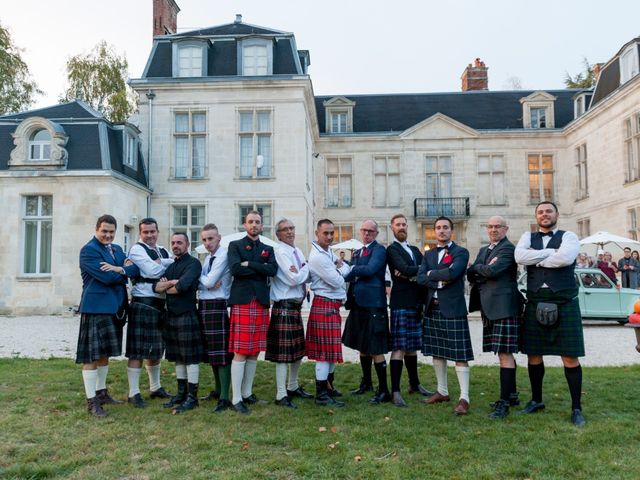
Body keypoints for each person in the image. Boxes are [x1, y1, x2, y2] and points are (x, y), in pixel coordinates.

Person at [515, 201, 586, 427]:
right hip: (536, 301)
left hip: (564, 301)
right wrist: (549, 252)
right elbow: (519, 257)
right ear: (536, 216)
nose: (544, 215)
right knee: (533, 354)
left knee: (569, 356)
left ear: (557, 214)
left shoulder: (570, 237)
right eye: (540, 212)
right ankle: (536, 400)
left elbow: (565, 259)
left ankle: (576, 408)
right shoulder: (527, 236)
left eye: (548, 211)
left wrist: (535, 256)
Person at [77, 214, 139, 417]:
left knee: (104, 354)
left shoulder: (118, 250)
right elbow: (106, 277)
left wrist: (120, 268)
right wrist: (122, 271)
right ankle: (91, 401)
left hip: (115, 309)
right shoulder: (89, 251)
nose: (108, 235)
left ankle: (101, 392)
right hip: (95, 308)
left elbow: (135, 269)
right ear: (96, 229)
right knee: (92, 356)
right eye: (104, 231)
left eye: (111, 232)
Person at [467, 216, 521, 419]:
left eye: (498, 226)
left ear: (506, 229)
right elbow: (472, 274)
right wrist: (480, 270)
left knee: (504, 354)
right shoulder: (484, 250)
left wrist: (479, 269)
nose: (493, 230)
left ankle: (505, 402)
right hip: (490, 307)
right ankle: (512, 395)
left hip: (504, 307)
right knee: (504, 354)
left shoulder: (508, 249)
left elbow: (492, 270)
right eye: (490, 226)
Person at [418, 216, 472, 416]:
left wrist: (432, 275)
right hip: (433, 307)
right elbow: (421, 278)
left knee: (459, 354)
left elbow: (454, 273)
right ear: (435, 231)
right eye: (438, 228)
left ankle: (464, 398)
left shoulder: (461, 252)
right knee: (437, 352)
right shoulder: (429, 254)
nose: (441, 231)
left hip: (453, 308)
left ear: (452, 231)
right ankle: (442, 391)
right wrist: (438, 278)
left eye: (445, 227)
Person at [227, 211, 278, 414]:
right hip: (243, 300)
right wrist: (260, 267)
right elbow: (235, 269)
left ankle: (247, 393)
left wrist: (250, 264)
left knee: (255, 350)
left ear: (262, 225)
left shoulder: (268, 248)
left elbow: (272, 270)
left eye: (257, 222)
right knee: (240, 350)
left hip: (261, 302)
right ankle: (236, 397)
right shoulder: (235, 246)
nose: (254, 225)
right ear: (244, 224)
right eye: (250, 222)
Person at [124, 218, 173, 408]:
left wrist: (164, 262)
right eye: (146, 232)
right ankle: (133, 393)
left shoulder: (162, 250)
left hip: (161, 303)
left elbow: (174, 266)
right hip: (143, 303)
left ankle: (155, 387)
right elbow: (153, 271)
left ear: (157, 231)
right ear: (140, 233)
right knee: (137, 350)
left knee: (156, 348)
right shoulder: (136, 249)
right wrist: (164, 266)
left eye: (153, 232)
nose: (150, 235)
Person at [386, 213, 434, 407]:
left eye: (404, 224)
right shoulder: (391, 249)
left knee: (412, 347)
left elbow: (423, 267)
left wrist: (412, 273)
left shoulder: (414, 249)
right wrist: (415, 272)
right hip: (400, 302)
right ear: (392, 228)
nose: (402, 227)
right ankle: (395, 391)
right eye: (398, 224)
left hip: (416, 302)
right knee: (399, 347)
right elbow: (404, 269)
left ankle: (414, 384)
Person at [342, 219, 391, 404]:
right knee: (362, 346)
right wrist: (343, 267)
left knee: (375, 347)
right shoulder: (358, 251)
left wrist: (351, 267)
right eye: (364, 230)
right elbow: (348, 275)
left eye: (371, 231)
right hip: (358, 305)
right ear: (360, 231)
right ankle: (367, 384)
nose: (367, 233)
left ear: (376, 234)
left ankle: (384, 390)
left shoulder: (379, 250)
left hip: (373, 305)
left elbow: (370, 270)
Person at [154, 233, 203, 414]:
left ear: (187, 244)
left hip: (187, 314)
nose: (176, 245)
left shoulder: (194, 264)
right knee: (178, 357)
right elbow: (156, 287)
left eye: (179, 243)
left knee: (189, 357)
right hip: (171, 315)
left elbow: (182, 286)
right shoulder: (172, 265)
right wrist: (170, 285)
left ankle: (193, 397)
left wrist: (169, 285)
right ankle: (181, 394)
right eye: (173, 243)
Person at [266, 218, 312, 409]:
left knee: (297, 352)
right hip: (283, 306)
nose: (290, 232)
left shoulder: (297, 251)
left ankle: (292, 386)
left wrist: (302, 270)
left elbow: (303, 277)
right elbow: (294, 279)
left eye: (292, 228)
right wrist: (307, 266)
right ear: (278, 234)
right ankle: (280, 394)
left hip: (295, 307)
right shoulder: (279, 252)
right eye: (285, 230)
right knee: (283, 354)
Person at [307, 219, 351, 407]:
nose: (330, 236)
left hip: (331, 306)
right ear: (317, 233)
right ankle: (321, 395)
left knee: (331, 351)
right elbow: (338, 281)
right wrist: (340, 268)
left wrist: (341, 268)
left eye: (332, 233)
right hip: (324, 304)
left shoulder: (328, 252)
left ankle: (329, 387)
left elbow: (347, 268)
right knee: (324, 353)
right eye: (326, 233)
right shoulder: (318, 256)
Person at [197, 224, 233, 413]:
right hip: (204, 305)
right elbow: (207, 282)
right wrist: (205, 281)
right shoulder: (208, 258)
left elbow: (209, 281)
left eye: (210, 239)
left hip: (217, 304)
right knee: (211, 351)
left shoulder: (223, 255)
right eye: (204, 239)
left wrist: (199, 279)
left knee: (221, 352)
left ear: (219, 238)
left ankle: (225, 397)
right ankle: (218, 390)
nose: (207, 243)